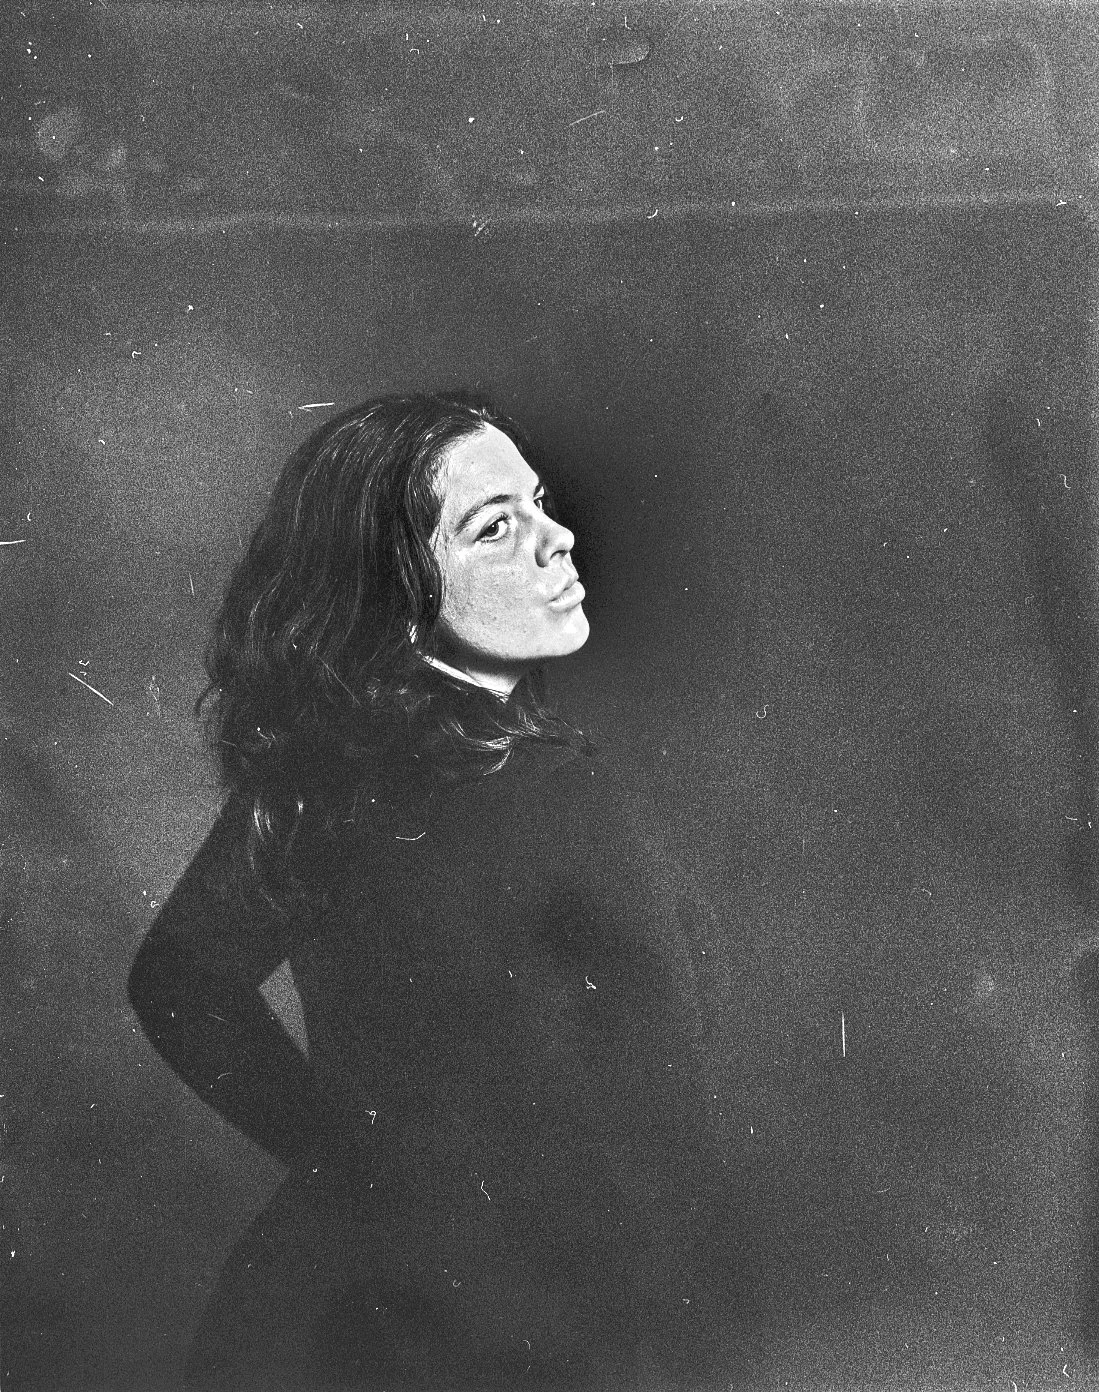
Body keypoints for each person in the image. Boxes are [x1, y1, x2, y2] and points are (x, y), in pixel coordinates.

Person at [128, 392, 739, 1391]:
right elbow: (654, 1104)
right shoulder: (545, 788)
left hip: (361, 1313)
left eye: (538, 504)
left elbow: (177, 980)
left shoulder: (326, 779)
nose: (556, 538)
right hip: (484, 1330)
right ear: (395, 596)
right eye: (494, 526)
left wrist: (348, 1161)